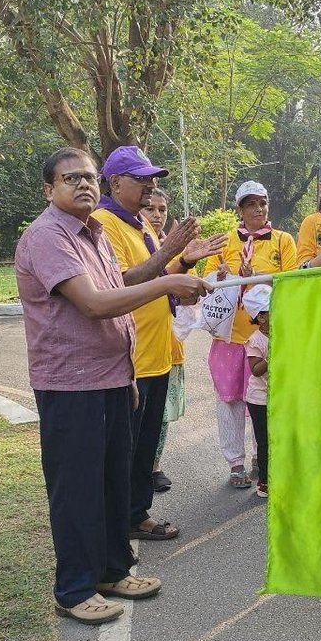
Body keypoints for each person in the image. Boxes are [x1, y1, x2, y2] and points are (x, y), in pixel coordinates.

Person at [16, 146, 208, 625]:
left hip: (113, 377)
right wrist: (168, 285)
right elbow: (96, 304)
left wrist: (169, 265)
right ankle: (75, 588)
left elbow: (122, 279)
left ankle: (111, 570)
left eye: (87, 177)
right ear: (48, 189)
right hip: (71, 384)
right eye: (70, 178)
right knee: (77, 486)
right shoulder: (47, 236)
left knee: (110, 481)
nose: (82, 185)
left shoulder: (95, 233)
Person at [91, 146, 226, 541]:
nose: (151, 186)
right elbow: (123, 282)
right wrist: (170, 251)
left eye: (153, 179)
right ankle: (118, 522)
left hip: (159, 351)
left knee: (145, 446)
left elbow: (162, 276)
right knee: (125, 448)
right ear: (116, 182)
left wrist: (183, 261)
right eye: (142, 178)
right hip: (131, 357)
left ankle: (137, 514)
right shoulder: (104, 223)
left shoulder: (138, 224)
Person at [213, 181, 297, 487]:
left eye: (262, 202)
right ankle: (235, 462)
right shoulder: (223, 244)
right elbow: (210, 288)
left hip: (267, 337)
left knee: (264, 401)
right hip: (230, 338)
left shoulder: (283, 241)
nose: (258, 209)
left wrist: (256, 280)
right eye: (250, 204)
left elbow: (291, 284)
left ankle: (261, 458)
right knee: (230, 400)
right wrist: (227, 278)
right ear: (240, 210)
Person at [142, 187, 186, 493]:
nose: (157, 216)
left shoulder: (168, 247)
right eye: (151, 209)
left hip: (170, 344)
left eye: (162, 209)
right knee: (141, 418)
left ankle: (154, 465)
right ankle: (144, 469)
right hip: (141, 350)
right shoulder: (144, 244)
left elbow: (175, 293)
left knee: (162, 415)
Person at [243, 284, 272, 498]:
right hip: (259, 399)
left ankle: (279, 476)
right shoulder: (256, 340)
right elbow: (255, 371)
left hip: (278, 397)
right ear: (261, 317)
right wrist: (273, 354)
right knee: (264, 440)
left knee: (278, 438)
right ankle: (264, 481)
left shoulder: (284, 333)